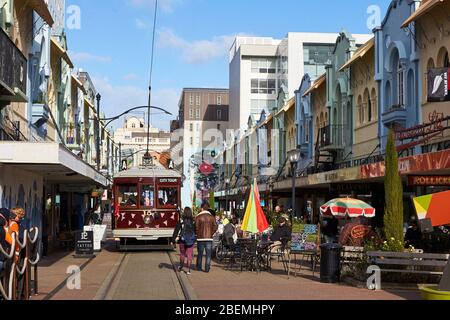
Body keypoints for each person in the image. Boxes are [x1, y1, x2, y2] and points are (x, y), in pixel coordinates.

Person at [172, 207, 196, 275]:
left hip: (182, 240)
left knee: (182, 254)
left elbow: (176, 231)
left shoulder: (181, 220)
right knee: (189, 254)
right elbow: (195, 230)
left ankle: (181, 267)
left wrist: (173, 240)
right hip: (191, 240)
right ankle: (189, 270)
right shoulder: (193, 221)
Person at [195, 201, 218, 273]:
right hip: (209, 238)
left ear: (202, 208)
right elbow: (215, 227)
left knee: (200, 253)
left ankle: (199, 267)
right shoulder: (211, 217)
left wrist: (198, 233)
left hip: (200, 238)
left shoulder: (198, 217)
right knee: (208, 254)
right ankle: (207, 268)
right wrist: (211, 233)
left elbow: (196, 227)